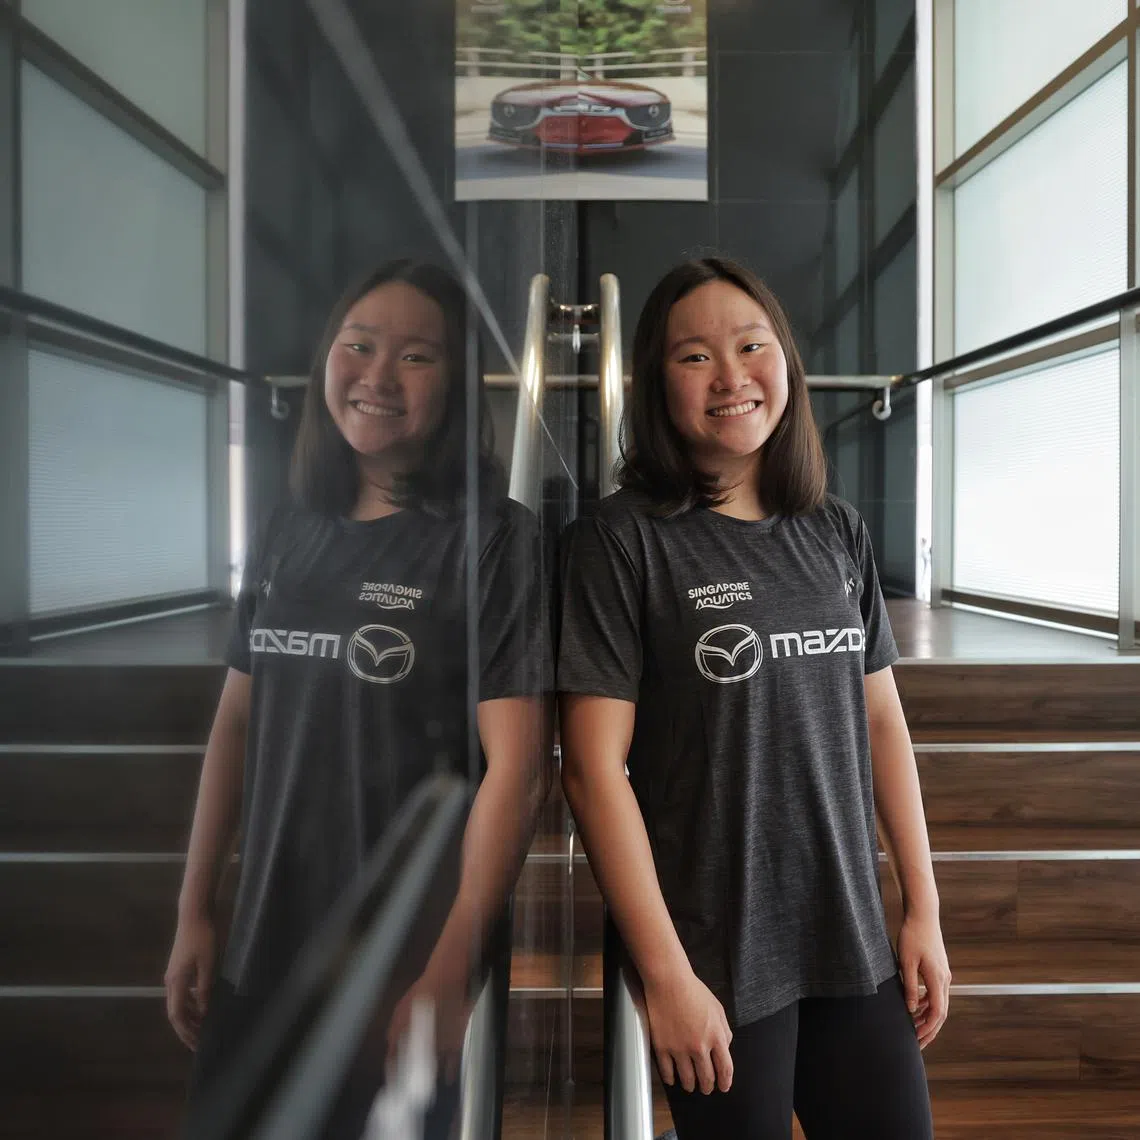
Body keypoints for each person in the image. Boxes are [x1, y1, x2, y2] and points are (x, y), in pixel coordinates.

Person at [557, 257, 949, 1139]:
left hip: (848, 931)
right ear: (657, 383)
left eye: (751, 346)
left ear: (786, 363)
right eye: (694, 357)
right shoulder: (619, 542)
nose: (731, 377)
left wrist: (922, 908)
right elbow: (591, 770)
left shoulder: (834, 529)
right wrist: (666, 974)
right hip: (715, 950)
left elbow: (881, 721)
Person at [165, 259, 551, 1137]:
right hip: (264, 946)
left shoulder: (495, 544)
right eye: (359, 346)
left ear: (456, 385)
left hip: (396, 967)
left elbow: (520, 771)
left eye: (416, 356)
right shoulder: (288, 527)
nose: (378, 376)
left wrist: (450, 968)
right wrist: (195, 911)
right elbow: (237, 724)